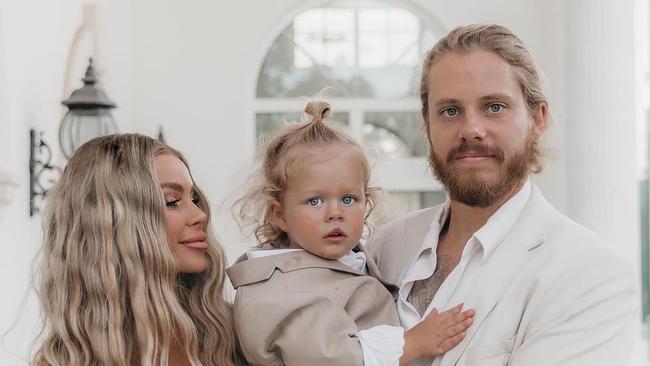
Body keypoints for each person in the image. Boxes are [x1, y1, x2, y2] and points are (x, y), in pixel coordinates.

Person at [367, 23, 639, 366]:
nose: (472, 130)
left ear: (537, 119)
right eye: (450, 111)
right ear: (427, 126)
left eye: (494, 107)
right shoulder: (383, 248)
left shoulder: (592, 275)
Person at [228, 101, 475, 366]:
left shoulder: (347, 260)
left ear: (366, 202)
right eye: (315, 201)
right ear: (279, 214)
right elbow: (325, 357)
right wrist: (413, 343)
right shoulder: (282, 291)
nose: (335, 213)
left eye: (348, 199)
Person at [33, 134, 240, 365]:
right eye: (172, 201)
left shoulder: (233, 335)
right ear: (111, 222)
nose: (200, 215)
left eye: (194, 198)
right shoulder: (66, 359)